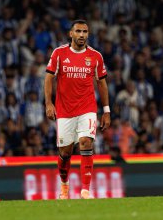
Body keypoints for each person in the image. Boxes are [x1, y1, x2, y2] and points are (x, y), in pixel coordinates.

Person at [44, 19, 111, 199]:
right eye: (78, 31)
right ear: (71, 34)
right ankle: (64, 186)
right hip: (64, 110)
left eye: (85, 32)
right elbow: (49, 78)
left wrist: (106, 110)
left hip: (87, 107)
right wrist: (49, 104)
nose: (82, 35)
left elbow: (102, 83)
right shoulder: (59, 54)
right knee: (65, 152)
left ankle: (85, 190)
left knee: (85, 142)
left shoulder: (96, 56)